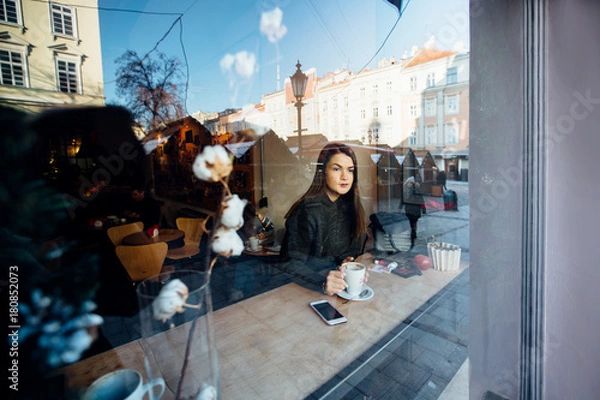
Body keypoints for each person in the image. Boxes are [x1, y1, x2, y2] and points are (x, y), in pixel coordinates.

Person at [281, 142, 367, 295]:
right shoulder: (307, 210)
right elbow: (290, 263)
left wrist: (346, 263)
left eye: (350, 170)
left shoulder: (350, 206)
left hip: (337, 290)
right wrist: (321, 282)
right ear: (323, 171)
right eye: (336, 169)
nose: (345, 177)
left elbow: (350, 249)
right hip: (303, 291)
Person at [401, 176, 424, 248]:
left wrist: (423, 210)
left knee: (413, 223)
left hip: (415, 210)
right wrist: (400, 207)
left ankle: (413, 234)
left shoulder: (416, 191)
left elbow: (421, 201)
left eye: (410, 183)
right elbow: (403, 200)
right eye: (408, 183)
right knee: (411, 223)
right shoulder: (406, 191)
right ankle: (413, 234)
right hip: (409, 210)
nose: (409, 185)